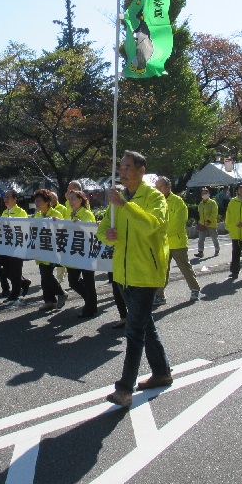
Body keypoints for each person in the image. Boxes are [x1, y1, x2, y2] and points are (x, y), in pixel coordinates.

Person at [97, 150, 172, 408]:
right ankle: (162, 372)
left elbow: (153, 224)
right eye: (121, 167)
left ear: (141, 170)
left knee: (134, 330)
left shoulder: (153, 197)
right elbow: (102, 229)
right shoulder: (117, 199)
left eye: (127, 167)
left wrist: (126, 206)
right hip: (123, 273)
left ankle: (124, 388)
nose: (122, 171)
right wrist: (109, 234)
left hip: (146, 273)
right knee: (145, 325)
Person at [154, 177, 200, 303]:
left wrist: (161, 232)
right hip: (162, 243)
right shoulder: (156, 201)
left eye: (160, 186)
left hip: (177, 241)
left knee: (185, 267)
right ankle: (159, 294)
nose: (157, 189)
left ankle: (195, 289)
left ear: (168, 187)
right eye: (156, 187)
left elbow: (178, 223)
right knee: (162, 270)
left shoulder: (178, 202)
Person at [31, 189, 66, 311]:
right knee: (43, 274)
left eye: (40, 200)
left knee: (46, 274)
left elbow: (61, 230)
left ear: (47, 202)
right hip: (40, 250)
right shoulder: (37, 215)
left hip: (52, 250)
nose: (37, 203)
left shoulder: (56, 214)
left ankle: (61, 293)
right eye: (36, 201)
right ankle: (49, 300)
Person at [65, 190, 98, 317]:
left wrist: (78, 226)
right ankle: (90, 300)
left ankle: (90, 307)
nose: (71, 201)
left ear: (81, 200)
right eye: (70, 199)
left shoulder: (87, 214)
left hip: (86, 252)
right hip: (74, 252)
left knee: (89, 281)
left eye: (74, 199)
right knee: (73, 281)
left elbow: (90, 231)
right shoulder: (70, 214)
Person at [1, 190, 31, 307]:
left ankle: (14, 295)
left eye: (8, 197)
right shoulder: (4, 213)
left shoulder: (21, 212)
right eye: (4, 197)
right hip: (6, 247)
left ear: (15, 199)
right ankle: (23, 282)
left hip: (18, 247)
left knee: (15, 270)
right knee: (6, 270)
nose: (5, 199)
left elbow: (23, 229)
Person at [194, 187, 220, 258]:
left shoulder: (212, 202)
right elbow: (200, 214)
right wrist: (199, 222)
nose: (204, 194)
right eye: (202, 193)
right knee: (201, 239)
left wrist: (209, 220)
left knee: (214, 238)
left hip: (211, 224)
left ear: (208, 194)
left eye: (205, 193)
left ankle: (217, 249)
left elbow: (214, 213)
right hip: (202, 223)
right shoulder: (200, 204)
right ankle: (200, 252)